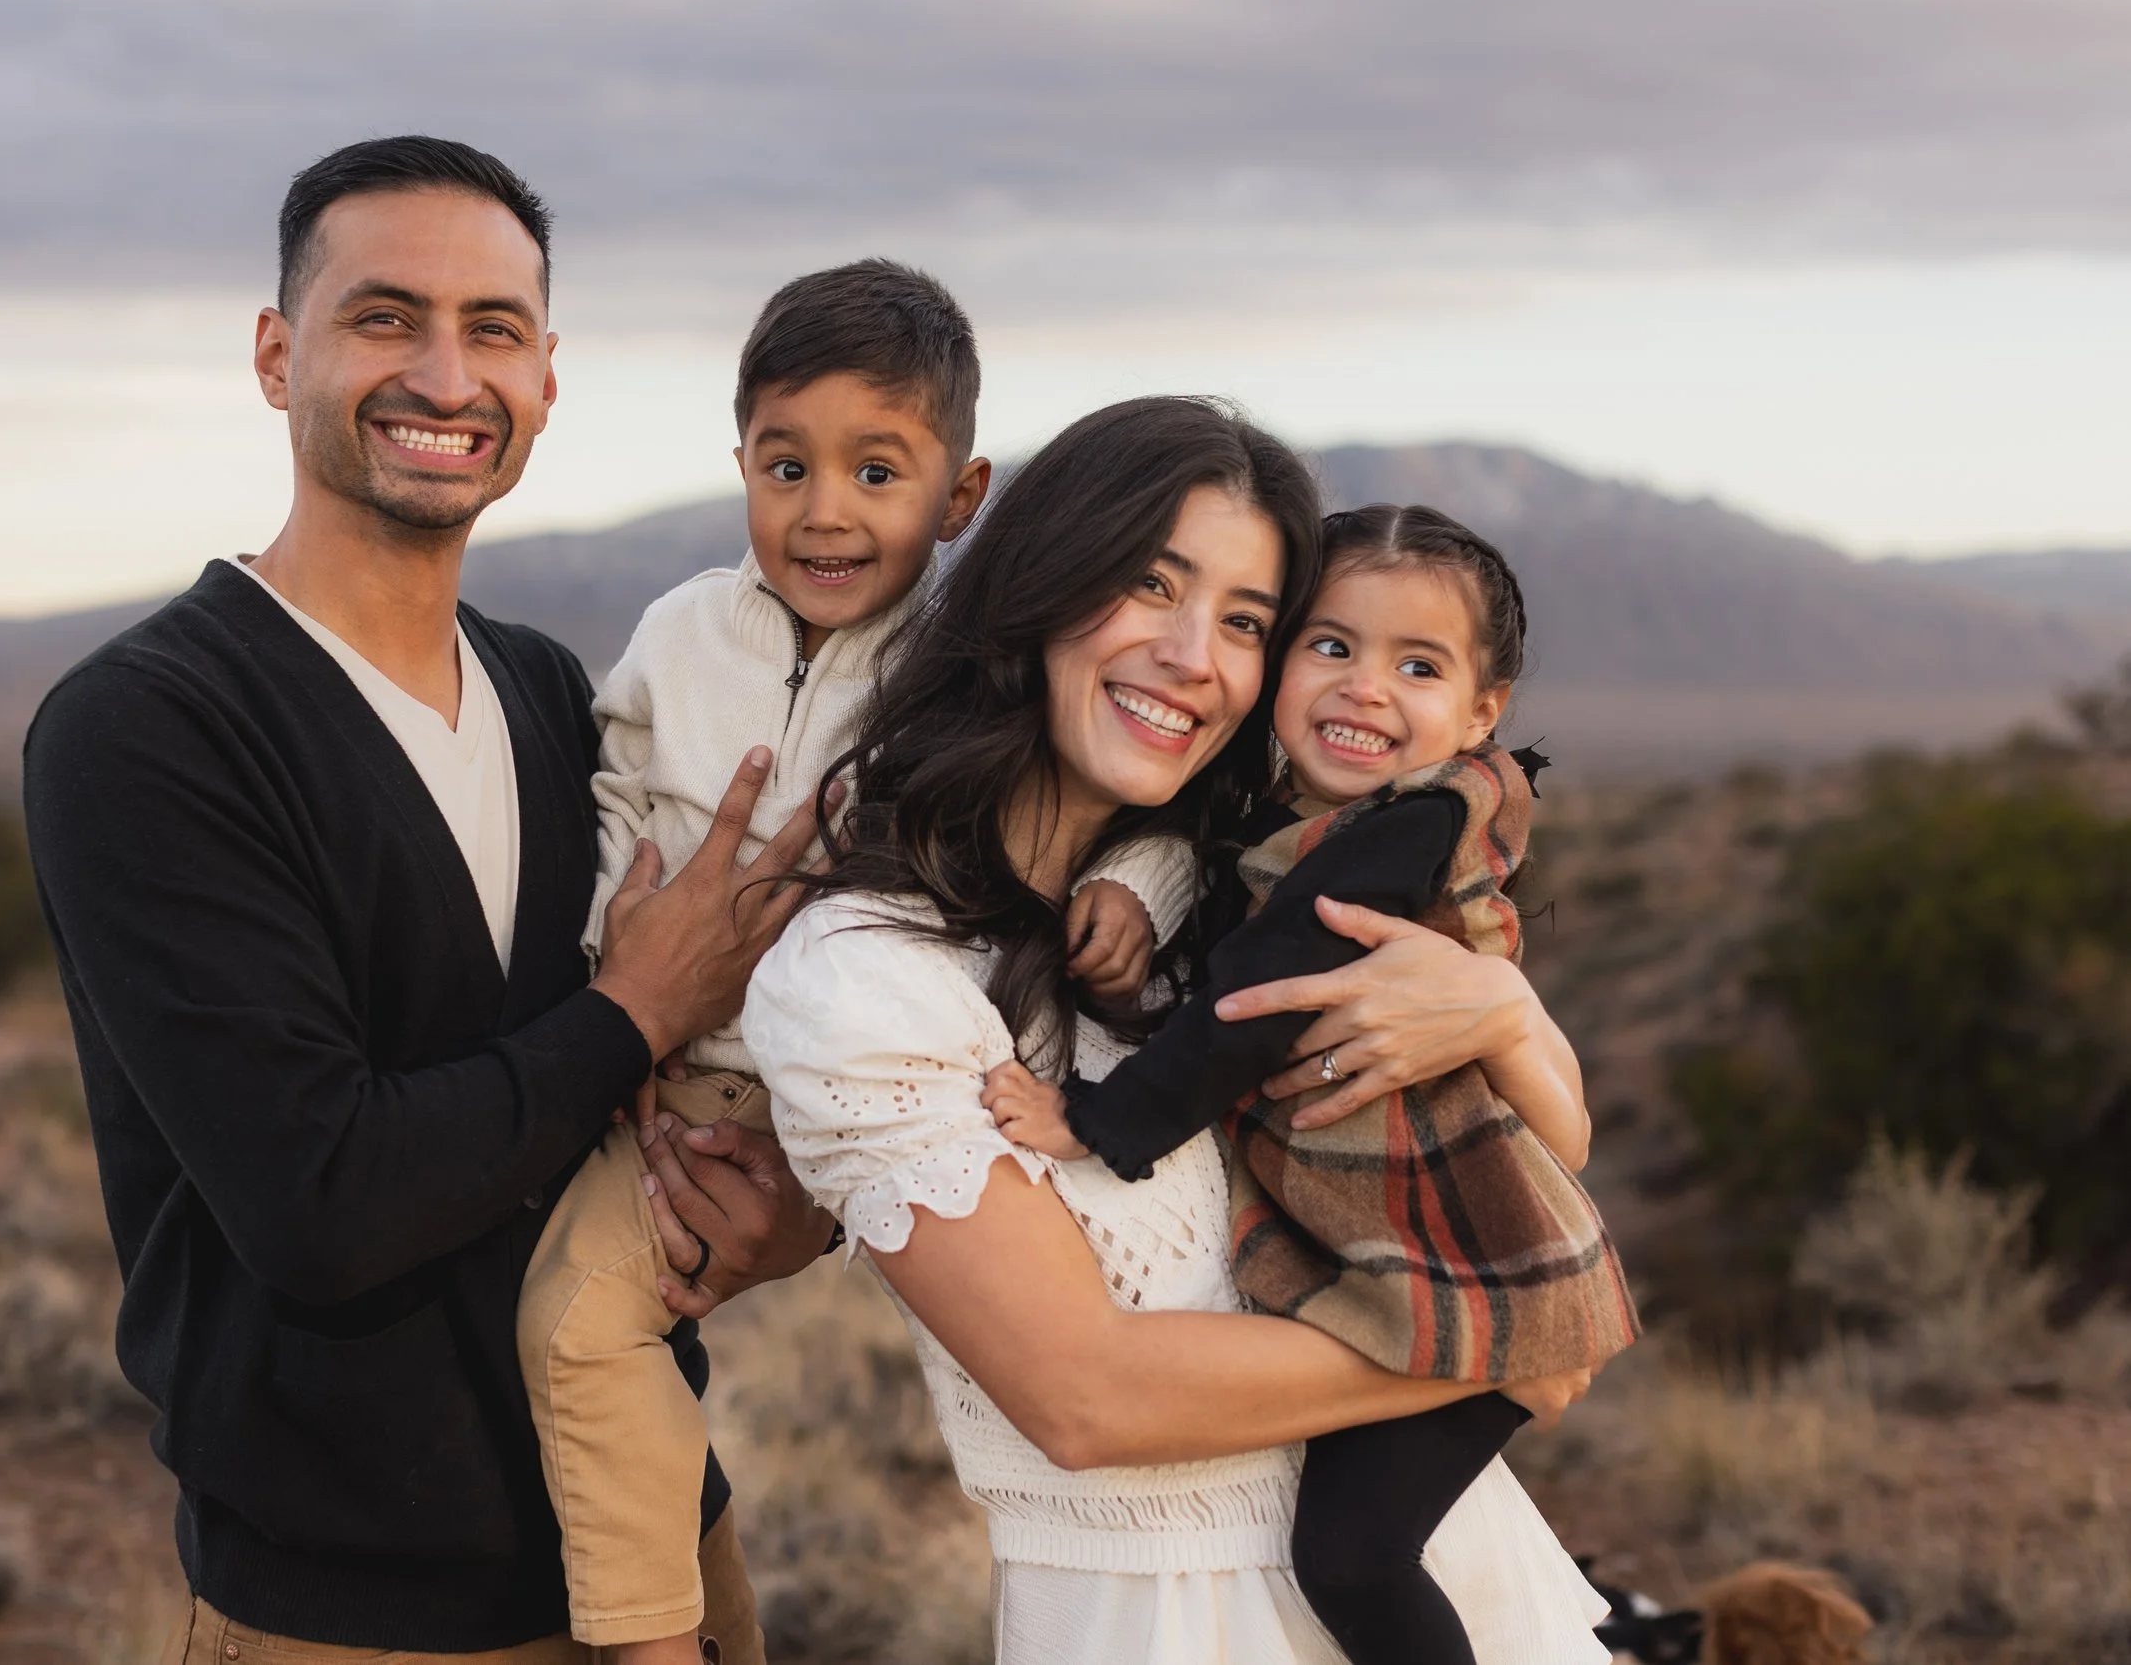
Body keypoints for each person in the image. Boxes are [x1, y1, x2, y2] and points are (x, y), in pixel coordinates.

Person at [23, 136, 833, 1664]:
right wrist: (636, 1005)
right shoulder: (150, 726)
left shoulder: (543, 690)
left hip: (656, 1539)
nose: (447, 376)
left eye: (495, 329)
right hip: (358, 1610)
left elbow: (619, 1124)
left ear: (543, 377)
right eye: (385, 317)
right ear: (279, 355)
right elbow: (323, 1204)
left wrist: (777, 1218)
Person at [737, 398, 1611, 1664]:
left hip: (1459, 1582)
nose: (1197, 656)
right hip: (1167, 1621)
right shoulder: (864, 980)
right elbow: (1085, 1397)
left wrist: (1504, 1008)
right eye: (1152, 584)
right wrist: (1496, 1352)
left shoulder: (1225, 887)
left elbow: (1544, 1139)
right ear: (1041, 584)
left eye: (1247, 621)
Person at [517, 259, 1179, 1665]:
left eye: (878, 471)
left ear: (961, 495)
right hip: (672, 1082)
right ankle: (676, 1634)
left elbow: (1129, 796)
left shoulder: (970, 670)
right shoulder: (682, 632)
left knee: (585, 1326)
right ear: (741, 461)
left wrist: (1136, 882)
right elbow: (619, 794)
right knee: (586, 1319)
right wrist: (608, 964)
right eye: (787, 463)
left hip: (886, 1095)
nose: (825, 508)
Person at [984, 503, 1639, 1665]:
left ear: (1481, 712)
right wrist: (1140, 877)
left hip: (1477, 1257)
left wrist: (1098, 1118)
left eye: (1417, 664)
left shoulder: (1404, 828)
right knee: (1347, 1549)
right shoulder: (1306, 816)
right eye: (1331, 646)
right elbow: (1197, 829)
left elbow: (1256, 994)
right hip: (1406, 1251)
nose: (1363, 687)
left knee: (1353, 1558)